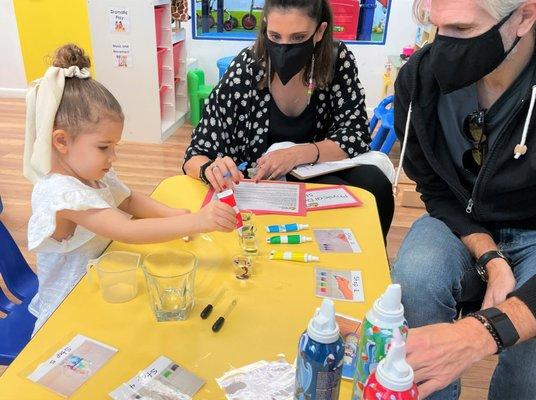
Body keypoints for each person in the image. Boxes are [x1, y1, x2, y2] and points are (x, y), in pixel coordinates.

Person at [23, 44, 236, 334]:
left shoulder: (90, 171)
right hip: (68, 312)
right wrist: (198, 220)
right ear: (61, 141)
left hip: (103, 286)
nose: (112, 157)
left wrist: (174, 214)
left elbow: (129, 200)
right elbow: (128, 230)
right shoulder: (61, 194)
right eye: (103, 147)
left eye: (114, 146)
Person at [391, 0, 536, 398]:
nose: (441, 48)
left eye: (462, 30)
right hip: (460, 219)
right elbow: (435, 189)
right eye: (435, 27)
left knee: (530, 359)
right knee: (417, 277)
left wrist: (483, 332)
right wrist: (488, 254)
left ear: (523, 17)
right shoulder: (419, 82)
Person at [182, 0, 394, 239]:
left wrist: (295, 154)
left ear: (320, 32)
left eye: (298, 37)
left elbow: (355, 135)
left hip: (319, 176)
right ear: (264, 27)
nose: (284, 48)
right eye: (275, 36)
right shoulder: (247, 67)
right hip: (264, 187)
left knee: (375, 185)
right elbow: (196, 154)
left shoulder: (336, 61)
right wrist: (210, 168)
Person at [406, 274, 536, 398]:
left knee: (527, 370)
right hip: (493, 255)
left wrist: (477, 333)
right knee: (419, 276)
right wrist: (493, 261)